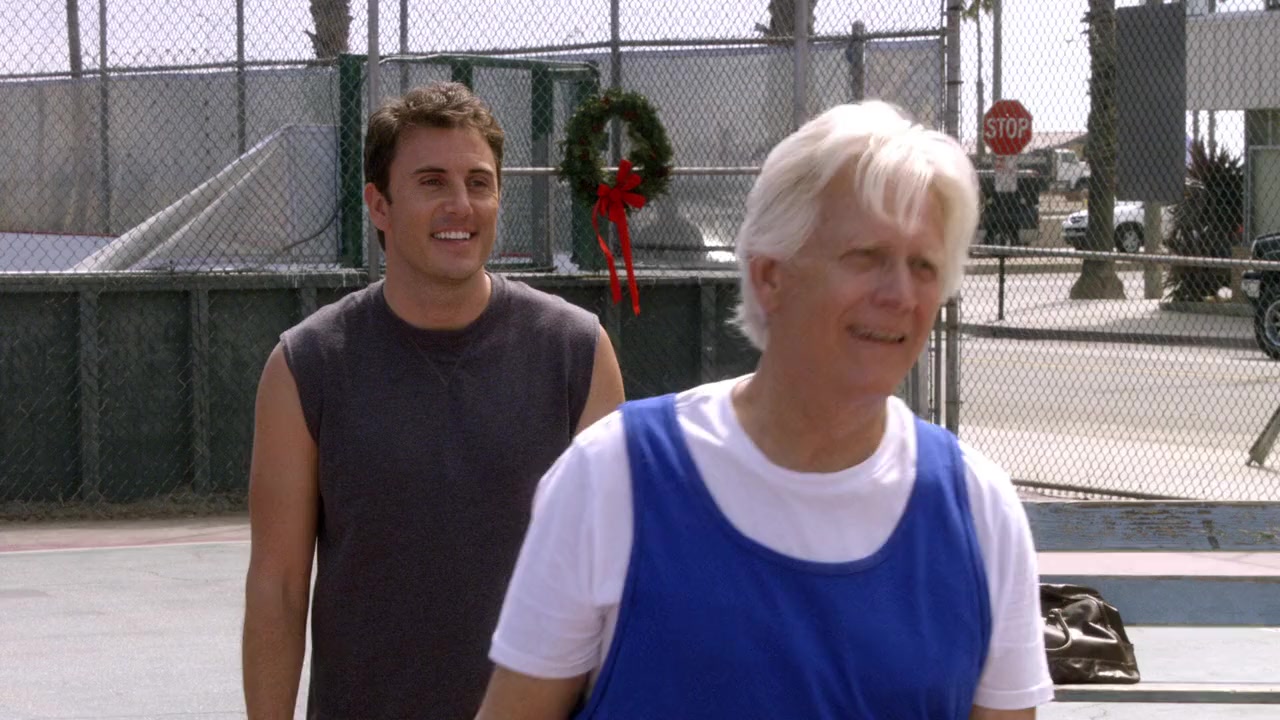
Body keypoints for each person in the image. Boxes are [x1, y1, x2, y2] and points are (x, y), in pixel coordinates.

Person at [474, 101, 1053, 719]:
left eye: (924, 266)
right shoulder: (611, 477)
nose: (900, 294)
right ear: (771, 276)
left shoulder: (979, 511)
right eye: (867, 256)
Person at [241, 81, 626, 719]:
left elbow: (611, 578)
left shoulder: (576, 352)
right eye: (431, 182)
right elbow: (278, 588)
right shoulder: (305, 365)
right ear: (379, 205)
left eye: (479, 183)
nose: (460, 205)